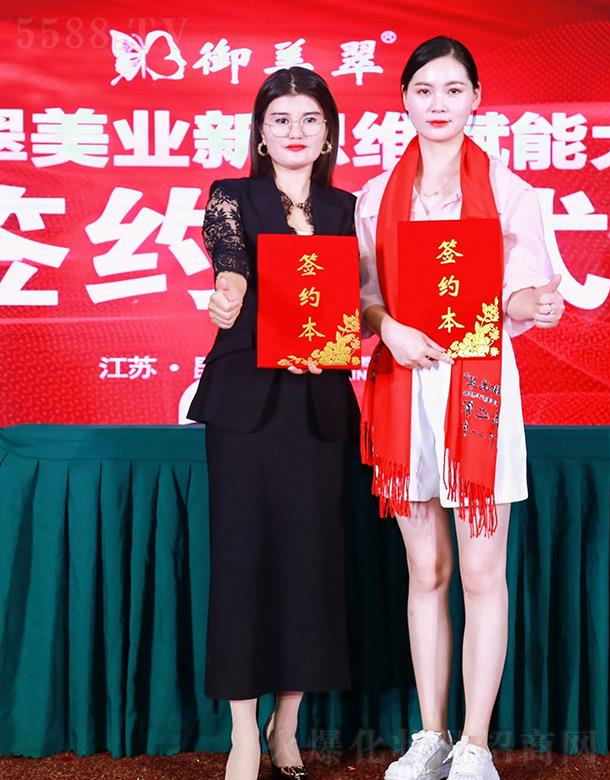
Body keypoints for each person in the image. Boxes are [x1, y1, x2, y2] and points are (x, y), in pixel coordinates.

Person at [355, 36, 564, 780]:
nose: (438, 104)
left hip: (478, 391)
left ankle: (475, 744)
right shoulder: (376, 195)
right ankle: (431, 735)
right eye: (423, 90)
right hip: (403, 389)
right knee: (427, 571)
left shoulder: (510, 191)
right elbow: (365, 297)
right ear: (404, 101)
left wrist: (534, 303)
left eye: (453, 89)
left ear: (477, 98)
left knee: (481, 573)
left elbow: (526, 292)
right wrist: (390, 329)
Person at [187, 66, 359, 780]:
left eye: (310, 118)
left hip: (319, 408)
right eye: (280, 118)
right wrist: (227, 294)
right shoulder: (233, 197)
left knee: (309, 561)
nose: (295, 130)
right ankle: (242, 734)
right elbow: (230, 263)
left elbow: (358, 301)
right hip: (246, 406)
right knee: (242, 559)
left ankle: (286, 726)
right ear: (260, 132)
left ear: (328, 133)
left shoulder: (348, 208)